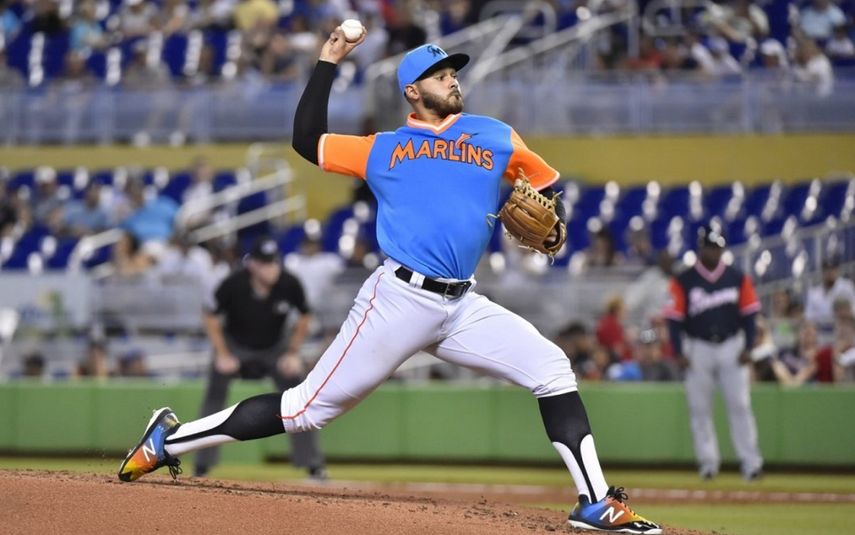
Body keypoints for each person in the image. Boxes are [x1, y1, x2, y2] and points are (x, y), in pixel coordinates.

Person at [118, 31, 661, 534]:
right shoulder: (383, 147)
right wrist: (328, 61)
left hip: (462, 303)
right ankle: (170, 439)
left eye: (454, 71)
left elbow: (547, 187)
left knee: (551, 367)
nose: (453, 78)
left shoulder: (495, 135)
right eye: (441, 73)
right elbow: (307, 140)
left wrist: (556, 220)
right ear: (413, 91)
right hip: (398, 298)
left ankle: (593, 502)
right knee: (306, 410)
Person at [192, 237, 326, 480]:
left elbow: (305, 315)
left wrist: (293, 352)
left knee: (301, 394)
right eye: (264, 263)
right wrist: (222, 354)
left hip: (274, 348)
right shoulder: (234, 283)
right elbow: (210, 315)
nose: (270, 268)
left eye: (273, 262)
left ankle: (313, 466)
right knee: (214, 393)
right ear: (252, 264)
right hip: (236, 347)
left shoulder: (288, 283)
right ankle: (202, 466)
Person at [665, 222, 763, 481]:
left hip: (732, 345)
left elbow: (750, 315)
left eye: (718, 247)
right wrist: (678, 351)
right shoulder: (684, 279)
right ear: (701, 247)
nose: (714, 252)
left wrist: (749, 346)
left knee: (740, 405)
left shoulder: (737, 276)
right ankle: (708, 464)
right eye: (710, 247)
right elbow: (674, 319)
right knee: (699, 409)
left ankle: (751, 463)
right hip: (698, 347)